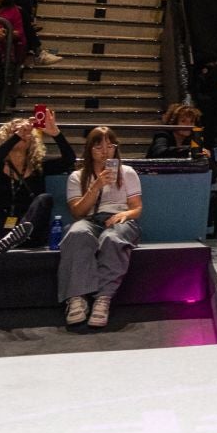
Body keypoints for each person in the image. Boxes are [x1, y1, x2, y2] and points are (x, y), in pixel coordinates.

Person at [60, 126, 143, 330]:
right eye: (99, 146)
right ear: (89, 149)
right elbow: (78, 212)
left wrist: (124, 215)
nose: (105, 150)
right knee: (77, 233)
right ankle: (76, 297)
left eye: (110, 145)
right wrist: (95, 186)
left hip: (119, 218)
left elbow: (137, 208)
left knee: (112, 239)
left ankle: (103, 298)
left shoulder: (128, 173)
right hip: (90, 219)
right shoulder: (77, 177)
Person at [0, 106, 73, 253]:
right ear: (5, 139)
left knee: (44, 198)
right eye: (15, 132)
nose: (22, 134)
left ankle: (17, 234)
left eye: (26, 132)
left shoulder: (38, 167)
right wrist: (16, 136)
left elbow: (69, 160)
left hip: (29, 233)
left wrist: (56, 134)